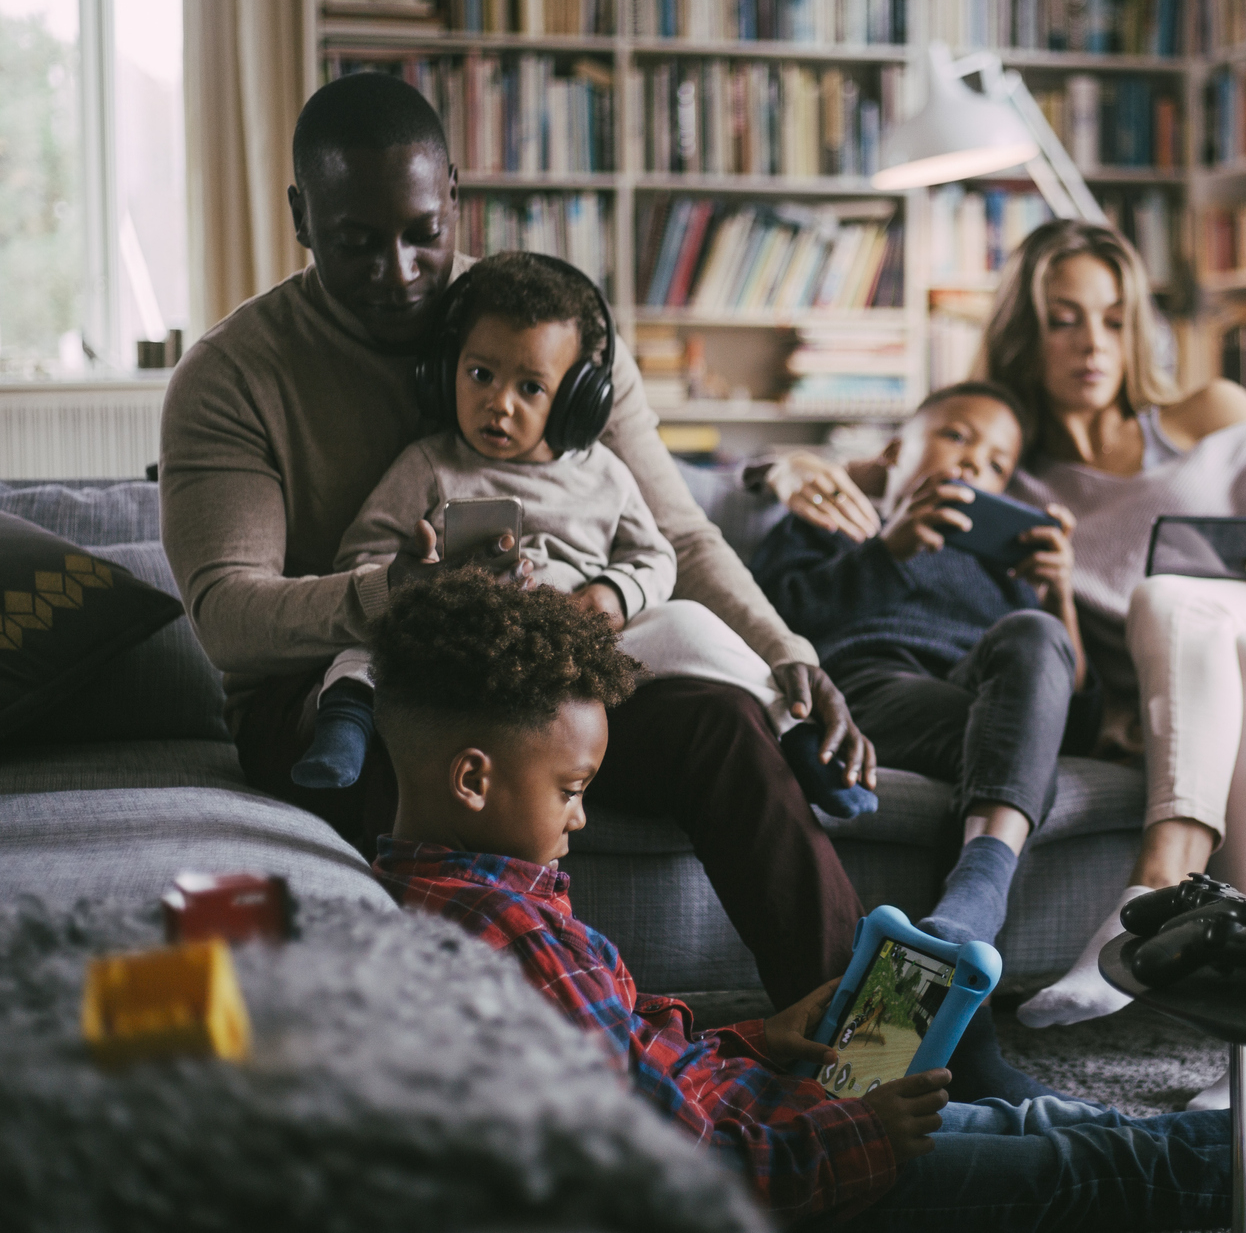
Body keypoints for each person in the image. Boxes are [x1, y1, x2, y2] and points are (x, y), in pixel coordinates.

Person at [368, 568, 1246, 1231]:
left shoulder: (473, 896)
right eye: (571, 790)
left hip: (768, 1096)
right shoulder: (492, 928)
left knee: (1049, 1120)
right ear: (474, 775)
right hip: (797, 1168)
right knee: (1084, 1167)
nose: (579, 816)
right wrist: (853, 1133)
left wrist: (757, 1031)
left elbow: (612, 1054)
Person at [159, 71, 870, 1008]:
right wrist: (391, 597)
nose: (402, 272)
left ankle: (880, 1053)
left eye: (423, 234)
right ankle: (507, 1080)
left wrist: (787, 656)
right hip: (345, 696)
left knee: (724, 724)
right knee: (437, 745)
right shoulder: (232, 377)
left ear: (454, 192)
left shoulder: (551, 342)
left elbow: (676, 537)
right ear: (300, 215)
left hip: (547, 667)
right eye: (357, 244)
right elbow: (226, 617)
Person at [763, 220, 1246, 1109]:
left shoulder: (1211, 410)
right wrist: (779, 470)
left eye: (1115, 319)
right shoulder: (1010, 481)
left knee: (1171, 600)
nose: (1093, 343)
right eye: (1063, 319)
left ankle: (1156, 887)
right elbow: (871, 468)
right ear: (1023, 333)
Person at [294, 250, 848, 810]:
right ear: (446, 370)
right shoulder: (428, 465)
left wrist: (613, 593)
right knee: (368, 640)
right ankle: (344, 726)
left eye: (530, 388)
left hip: (587, 645)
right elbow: (359, 558)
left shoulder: (604, 472)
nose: (499, 403)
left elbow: (656, 556)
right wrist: (417, 582)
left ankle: (798, 735)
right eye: (480, 375)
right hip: (462, 642)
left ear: (577, 401)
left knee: (690, 624)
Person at [750, 381, 1091, 1101]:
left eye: (998, 464)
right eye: (956, 436)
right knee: (1009, 751)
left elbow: (1061, 680)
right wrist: (889, 548)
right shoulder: (836, 514)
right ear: (896, 452)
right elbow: (778, 615)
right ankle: (976, 938)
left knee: (1033, 638)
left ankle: (965, 912)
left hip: (978, 700)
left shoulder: (1001, 567)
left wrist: (1056, 591)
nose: (973, 465)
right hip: (875, 686)